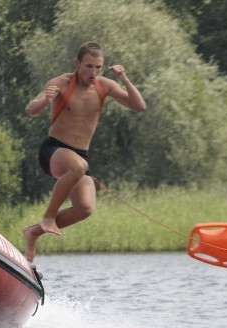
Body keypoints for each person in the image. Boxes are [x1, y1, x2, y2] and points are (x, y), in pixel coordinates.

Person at [22, 41, 146, 262]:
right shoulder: (61, 82)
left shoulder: (105, 86)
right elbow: (30, 110)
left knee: (85, 208)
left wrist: (124, 79)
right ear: (77, 63)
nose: (93, 72)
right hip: (53, 150)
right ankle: (48, 217)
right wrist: (44, 100)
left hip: (80, 157)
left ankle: (33, 232)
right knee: (79, 166)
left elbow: (139, 106)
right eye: (89, 66)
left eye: (98, 67)